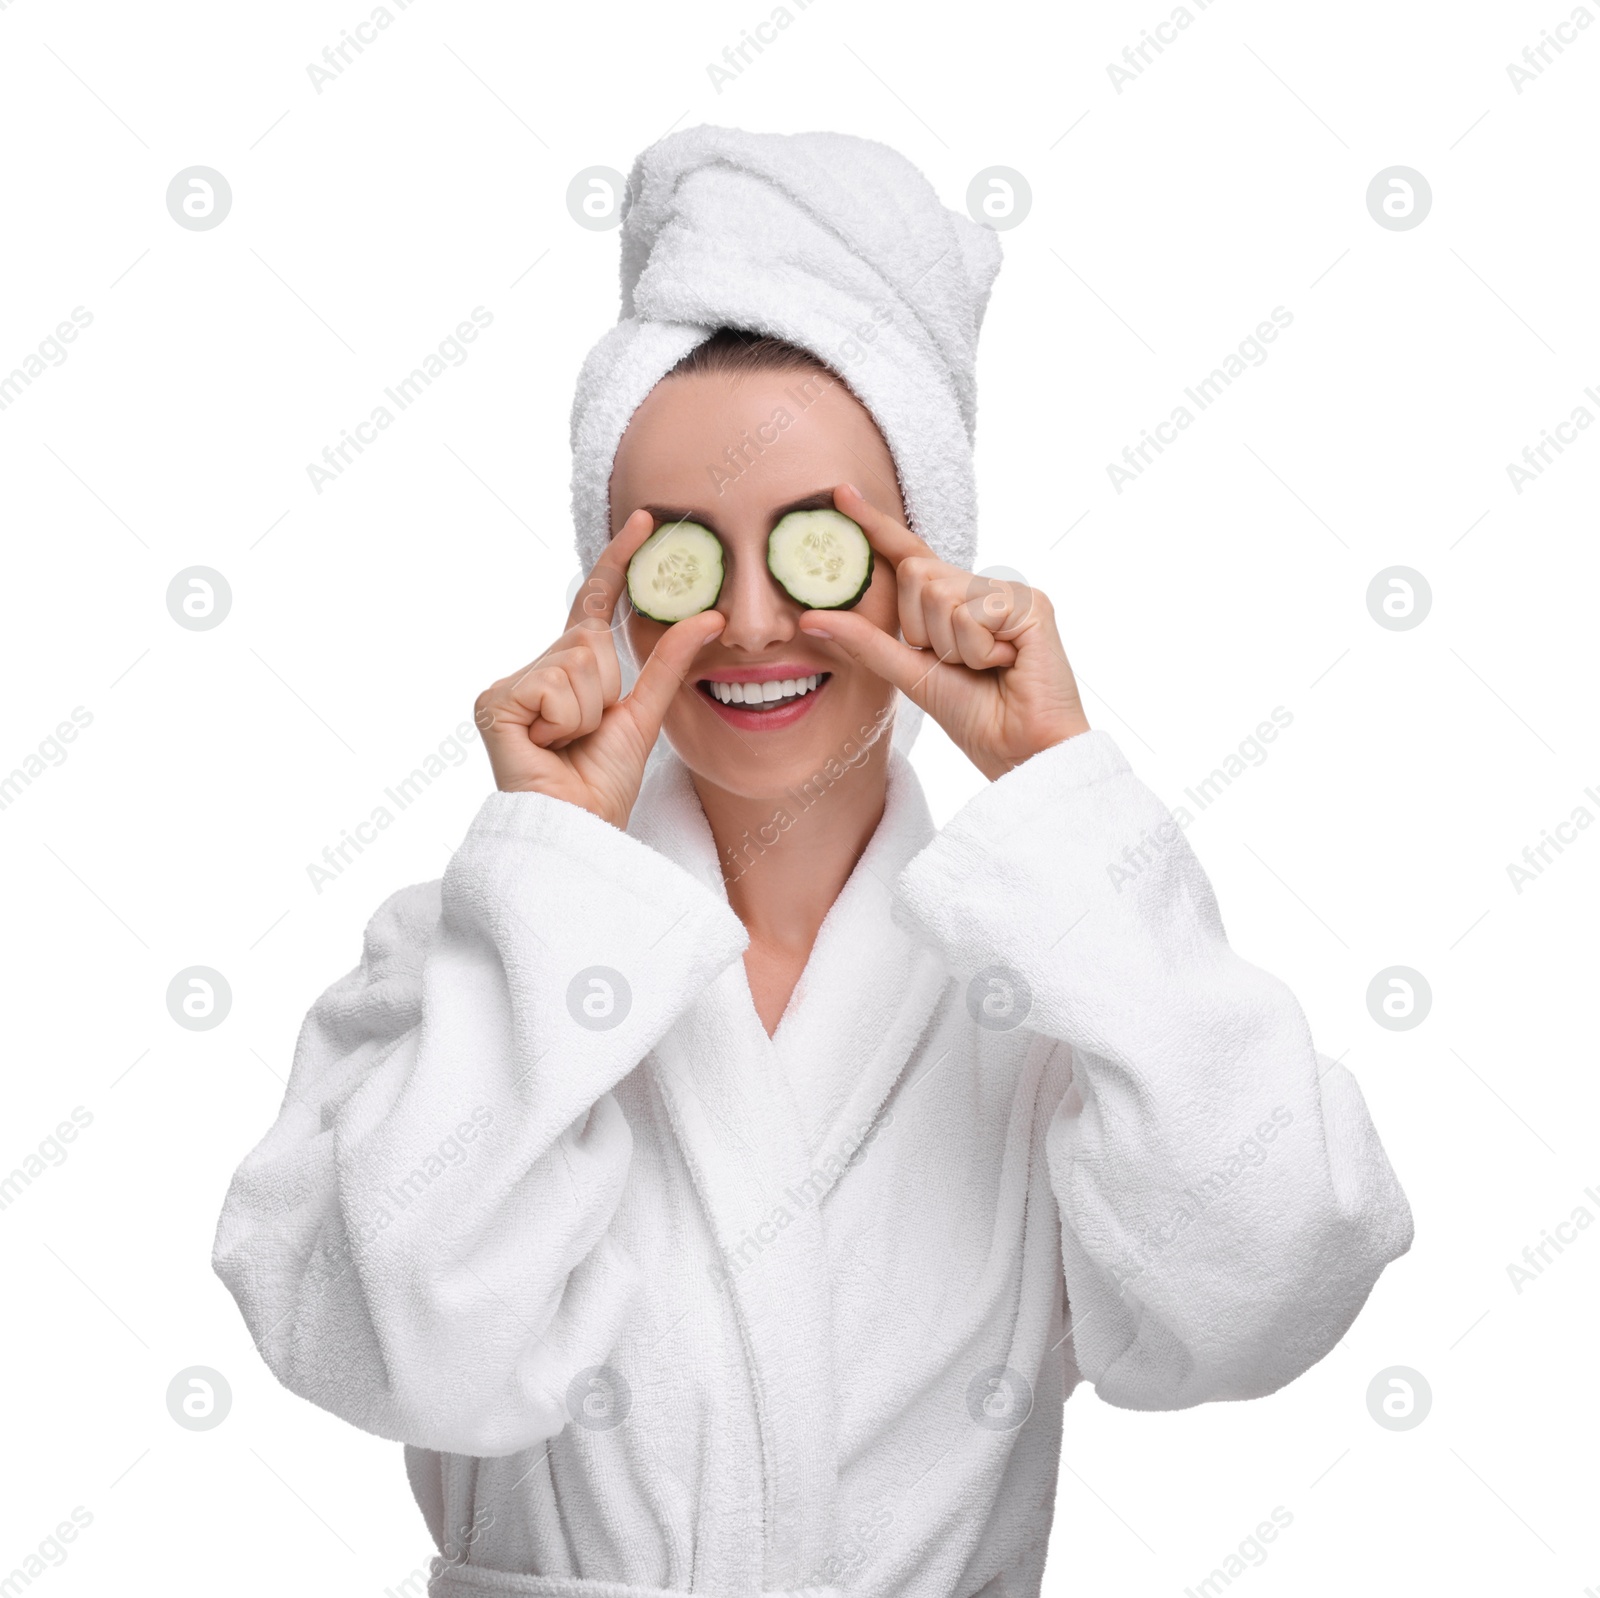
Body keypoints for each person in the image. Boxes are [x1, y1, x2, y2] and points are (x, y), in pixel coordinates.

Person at [212, 126, 1413, 1598]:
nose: (761, 621)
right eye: (687, 559)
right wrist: (548, 880)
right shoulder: (472, 949)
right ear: (615, 585)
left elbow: (1272, 1285)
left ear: (925, 556)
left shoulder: (1044, 982)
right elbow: (393, 1349)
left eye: (817, 545)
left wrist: (1060, 789)